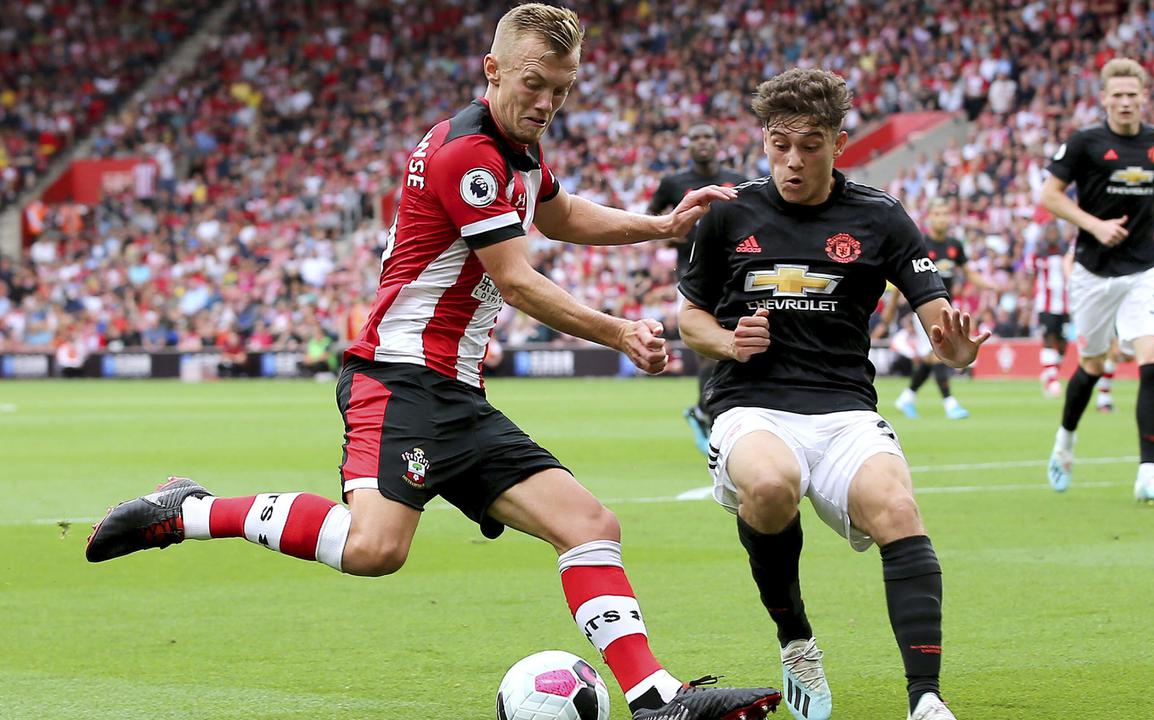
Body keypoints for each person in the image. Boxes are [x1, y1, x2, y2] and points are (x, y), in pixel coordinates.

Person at [85, 6, 779, 720]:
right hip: (398, 378)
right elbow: (516, 280)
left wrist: (659, 225)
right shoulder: (467, 154)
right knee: (374, 549)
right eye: (535, 84)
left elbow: (560, 213)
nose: (548, 103)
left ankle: (654, 697)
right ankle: (189, 510)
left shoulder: (517, 147)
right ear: (492, 71)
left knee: (589, 524)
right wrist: (620, 332)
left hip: (456, 392)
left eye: (562, 90)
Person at [678, 67, 988, 720]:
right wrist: (729, 342)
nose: (792, 160)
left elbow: (940, 324)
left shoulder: (880, 217)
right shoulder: (730, 213)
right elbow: (689, 319)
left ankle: (926, 699)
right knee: (770, 485)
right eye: (779, 144)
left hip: (845, 410)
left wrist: (957, 351)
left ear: (839, 143)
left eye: (809, 145)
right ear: (765, 140)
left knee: (898, 509)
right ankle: (796, 640)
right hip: (751, 405)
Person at [1041, 57, 1154, 502]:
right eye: (1117, 95)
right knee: (1092, 364)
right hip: (1094, 271)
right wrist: (1094, 226)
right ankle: (1065, 440)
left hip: (1144, 268)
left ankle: (1148, 473)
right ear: (1103, 98)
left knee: (1152, 358)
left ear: (1144, 97)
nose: (1124, 102)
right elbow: (1049, 196)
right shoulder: (1084, 143)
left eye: (1131, 95)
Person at [648, 124, 747, 455]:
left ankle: (710, 411)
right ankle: (712, 416)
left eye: (708, 137)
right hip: (694, 276)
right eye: (696, 138)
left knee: (733, 346)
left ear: (718, 144)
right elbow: (651, 215)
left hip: (735, 274)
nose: (702, 143)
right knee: (707, 351)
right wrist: (668, 231)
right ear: (688, 146)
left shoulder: (737, 179)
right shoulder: (673, 183)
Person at [881, 198, 994, 420]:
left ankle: (906, 397)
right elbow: (901, 279)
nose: (942, 218)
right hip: (924, 308)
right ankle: (950, 403)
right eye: (938, 214)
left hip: (946, 309)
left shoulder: (954, 245)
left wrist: (990, 285)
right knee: (937, 355)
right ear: (929, 217)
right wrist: (891, 308)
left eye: (945, 213)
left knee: (931, 357)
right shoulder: (920, 243)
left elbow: (968, 273)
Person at [1032, 222, 1071, 398]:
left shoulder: (1067, 253)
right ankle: (1052, 381)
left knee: (1063, 343)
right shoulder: (1038, 255)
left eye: (1055, 232)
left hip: (1065, 304)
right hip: (1045, 305)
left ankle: (1051, 371)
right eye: (1050, 232)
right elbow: (1032, 276)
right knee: (1048, 338)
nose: (1052, 235)